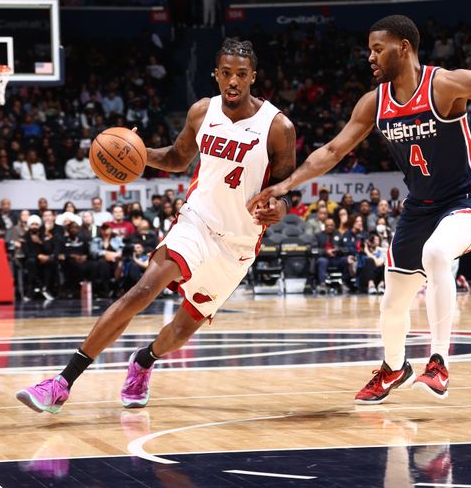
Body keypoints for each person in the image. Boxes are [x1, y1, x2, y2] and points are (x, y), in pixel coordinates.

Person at [248, 15, 471, 403]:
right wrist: (285, 184)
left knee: (437, 252)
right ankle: (394, 368)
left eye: (377, 49)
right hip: (418, 209)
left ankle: (438, 361)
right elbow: (334, 151)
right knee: (392, 303)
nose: (369, 57)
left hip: (464, 201)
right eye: (369, 50)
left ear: (403, 47)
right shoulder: (374, 102)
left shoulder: (445, 85)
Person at [17, 39, 295, 413]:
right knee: (143, 289)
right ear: (215, 74)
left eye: (241, 75)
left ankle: (144, 360)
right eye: (225, 73)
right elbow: (179, 159)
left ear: (253, 77)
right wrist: (135, 154)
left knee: (181, 331)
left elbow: (285, 187)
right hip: (196, 221)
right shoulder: (202, 112)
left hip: (238, 244)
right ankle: (61, 382)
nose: (233, 81)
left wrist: (280, 206)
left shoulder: (278, 127)